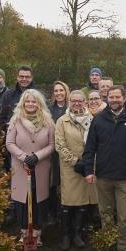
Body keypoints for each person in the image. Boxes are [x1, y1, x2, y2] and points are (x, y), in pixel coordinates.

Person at [82, 86, 126, 251]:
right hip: (103, 176)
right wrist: (88, 170)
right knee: (106, 215)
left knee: (124, 217)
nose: (115, 100)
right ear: (107, 98)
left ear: (124, 98)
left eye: (118, 97)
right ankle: (107, 247)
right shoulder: (99, 119)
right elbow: (90, 148)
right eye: (111, 97)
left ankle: (122, 250)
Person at [6, 89, 55, 246]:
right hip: (21, 168)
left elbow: (52, 145)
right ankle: (24, 232)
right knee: (22, 201)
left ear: (39, 104)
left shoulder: (48, 122)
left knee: (38, 201)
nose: (30, 104)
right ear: (23, 103)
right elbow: (9, 143)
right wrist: (24, 157)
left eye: (34, 101)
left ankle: (37, 233)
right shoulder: (15, 121)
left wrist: (37, 156)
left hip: (40, 168)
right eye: (28, 101)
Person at [55, 89, 98, 250]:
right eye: (73, 100)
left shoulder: (93, 120)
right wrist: (74, 161)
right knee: (68, 202)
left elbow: (96, 142)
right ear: (69, 102)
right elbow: (59, 144)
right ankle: (66, 235)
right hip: (70, 167)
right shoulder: (62, 121)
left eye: (80, 101)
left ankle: (77, 233)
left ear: (85, 102)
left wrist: (87, 164)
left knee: (83, 201)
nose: (77, 103)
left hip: (87, 166)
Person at [48, 81, 70, 225]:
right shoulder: (49, 110)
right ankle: (52, 213)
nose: (58, 93)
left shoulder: (71, 107)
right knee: (52, 183)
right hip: (53, 153)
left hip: (68, 151)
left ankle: (66, 212)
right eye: (56, 91)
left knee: (67, 183)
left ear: (66, 91)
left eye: (61, 90)